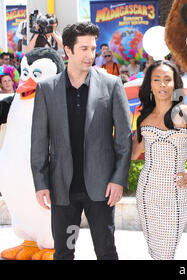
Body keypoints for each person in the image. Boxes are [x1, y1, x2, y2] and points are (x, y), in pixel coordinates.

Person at [30, 22, 132, 260]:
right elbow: (39, 140)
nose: (90, 55)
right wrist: (41, 181)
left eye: (93, 48)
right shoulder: (47, 89)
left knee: (106, 251)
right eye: (84, 48)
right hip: (62, 187)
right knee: (64, 251)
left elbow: (124, 138)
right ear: (68, 50)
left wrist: (118, 179)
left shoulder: (111, 84)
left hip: (102, 188)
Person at [131, 60, 187, 260]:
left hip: (176, 190)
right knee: (154, 249)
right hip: (147, 190)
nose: (162, 84)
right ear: (149, 84)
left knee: (167, 250)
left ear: (175, 84)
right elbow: (134, 155)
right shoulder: (143, 117)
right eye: (157, 79)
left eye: (167, 80)